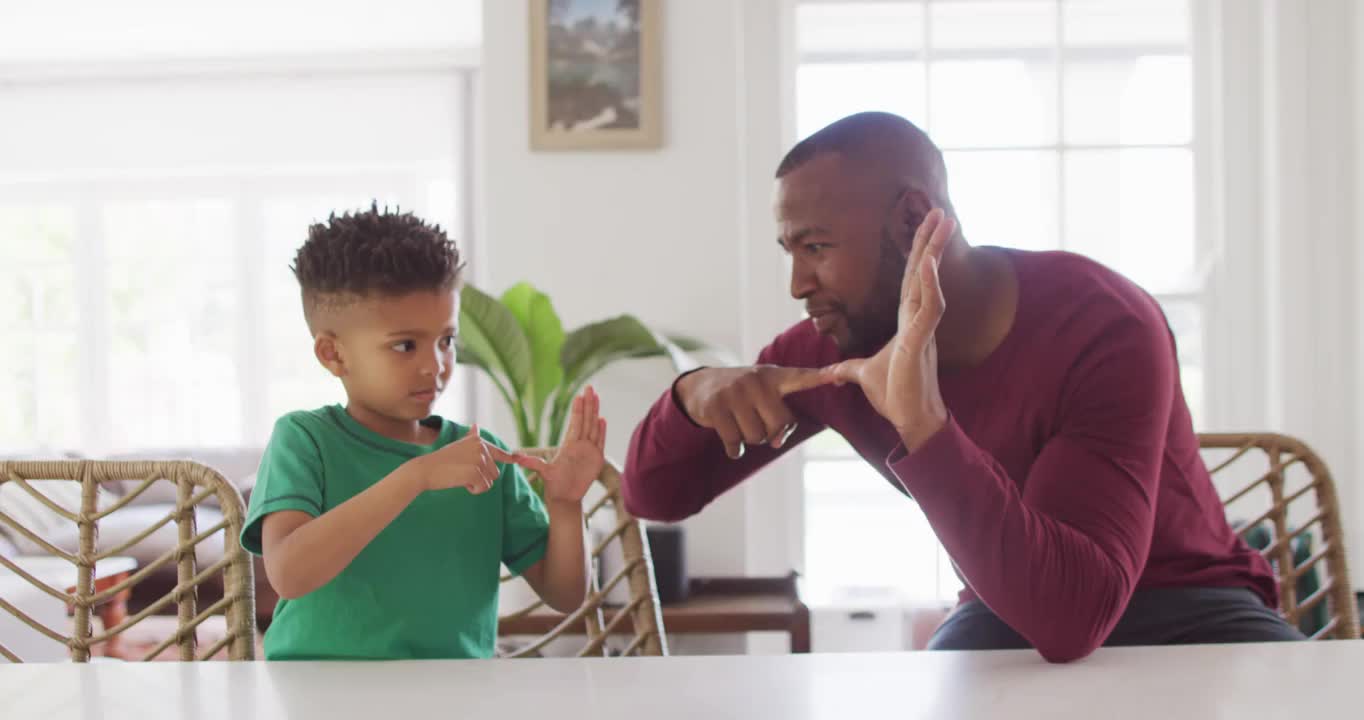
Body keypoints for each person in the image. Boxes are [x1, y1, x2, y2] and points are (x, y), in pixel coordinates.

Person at [621, 112, 1301, 663]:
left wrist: (925, 425)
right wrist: (695, 393)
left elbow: (1076, 613)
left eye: (817, 248)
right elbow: (655, 494)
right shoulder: (837, 349)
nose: (798, 284)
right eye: (789, 252)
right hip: (1008, 610)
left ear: (915, 218)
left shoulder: (1103, 321)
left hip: (1194, 608)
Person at [241, 204, 606, 660]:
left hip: (453, 698)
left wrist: (567, 506)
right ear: (333, 354)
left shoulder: (482, 455)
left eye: (446, 340)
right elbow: (289, 574)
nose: (434, 364)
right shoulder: (305, 440)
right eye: (404, 344)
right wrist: (416, 476)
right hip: (318, 696)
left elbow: (565, 594)